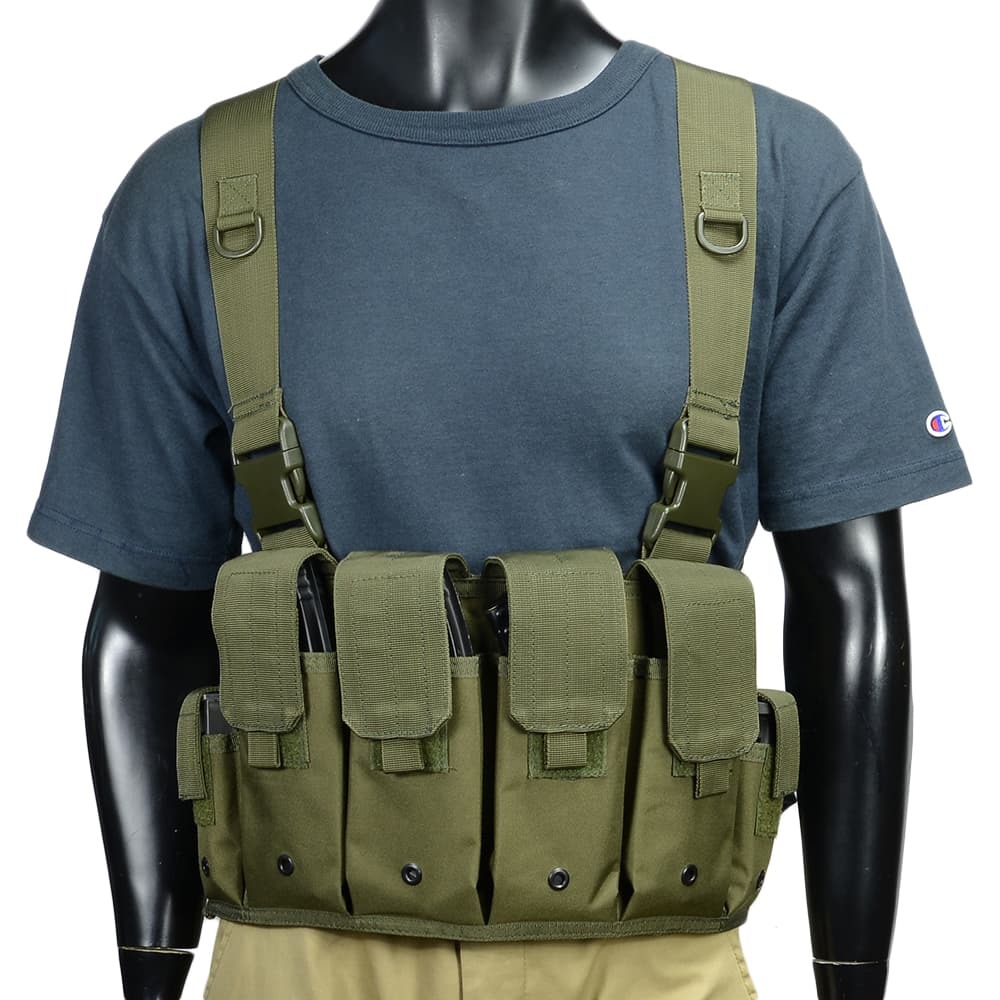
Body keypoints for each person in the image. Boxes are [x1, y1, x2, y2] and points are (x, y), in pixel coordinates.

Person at [26, 2, 972, 998]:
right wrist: (151, 961)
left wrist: (852, 972)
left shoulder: (772, 170)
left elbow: (852, 605)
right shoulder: (194, 196)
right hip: (300, 943)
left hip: (652, 949)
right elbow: (145, 622)